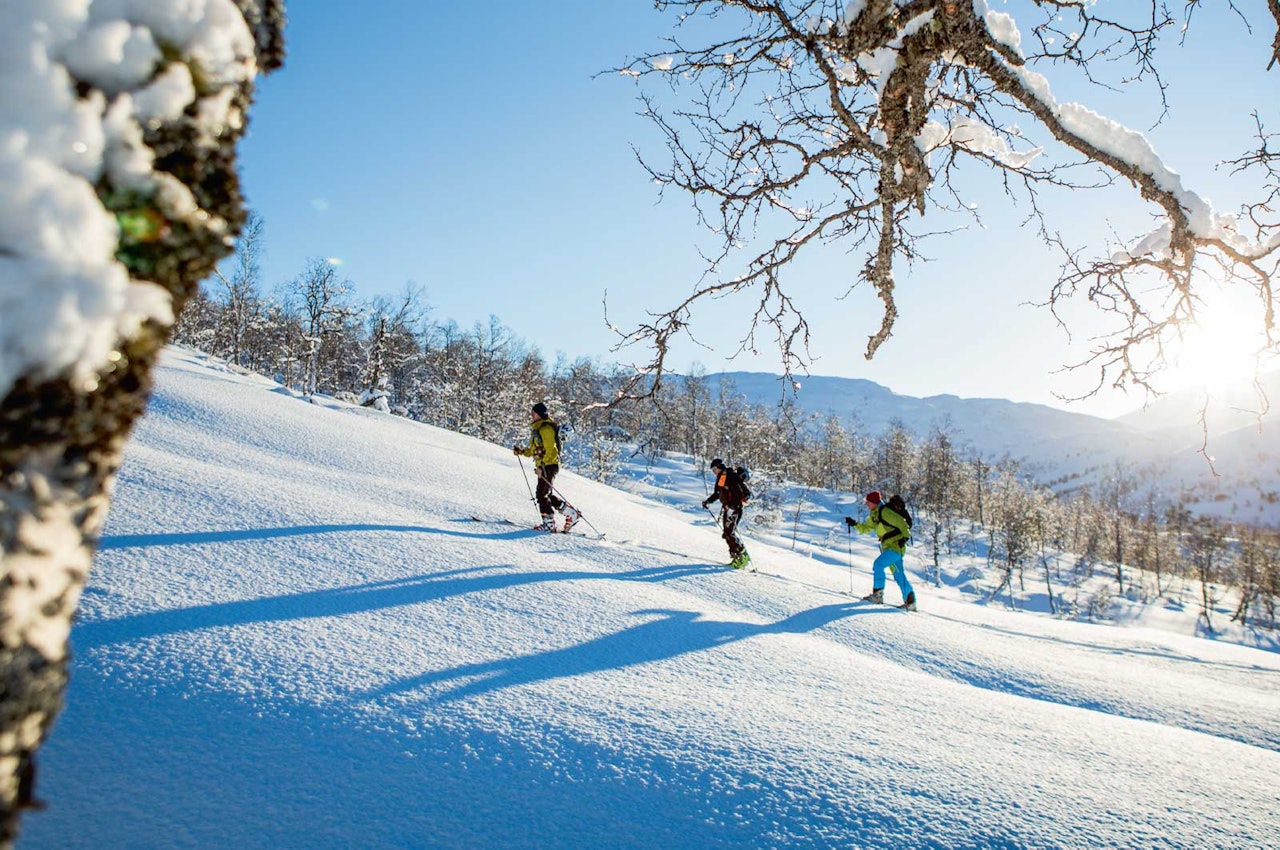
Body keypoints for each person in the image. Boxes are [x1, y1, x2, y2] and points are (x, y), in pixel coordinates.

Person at [513, 402, 581, 532]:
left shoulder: (546, 429)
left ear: (540, 414)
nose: (532, 415)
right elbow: (536, 451)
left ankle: (549, 524)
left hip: (549, 465)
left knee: (542, 494)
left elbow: (551, 450)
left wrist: (543, 466)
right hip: (546, 465)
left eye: (534, 413)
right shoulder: (538, 429)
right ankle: (571, 514)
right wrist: (521, 452)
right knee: (546, 494)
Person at [845, 490, 917, 610]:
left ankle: (877, 595)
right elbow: (866, 528)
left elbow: (903, 525)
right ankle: (910, 602)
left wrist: (904, 538)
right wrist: (854, 524)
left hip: (895, 548)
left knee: (878, 565)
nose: (867, 504)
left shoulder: (886, 512)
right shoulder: (875, 515)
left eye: (868, 502)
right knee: (899, 575)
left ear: (874, 502)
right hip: (890, 548)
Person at [701, 458, 751, 569]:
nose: (713, 471)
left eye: (714, 468)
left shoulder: (730, 475)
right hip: (728, 509)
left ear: (719, 467)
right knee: (727, 533)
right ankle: (736, 557)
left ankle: (742, 556)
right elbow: (717, 493)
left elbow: (738, 492)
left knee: (730, 533)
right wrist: (708, 501)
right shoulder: (720, 478)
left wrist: (732, 506)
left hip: (735, 508)